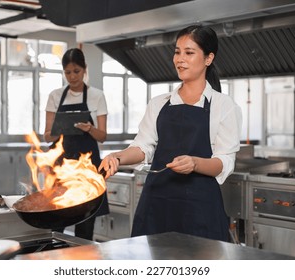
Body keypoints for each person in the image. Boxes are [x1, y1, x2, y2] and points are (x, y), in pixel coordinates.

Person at [99, 25, 242, 242]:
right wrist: (117, 157)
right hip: (156, 204)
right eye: (177, 52)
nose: (180, 59)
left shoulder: (224, 106)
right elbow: (143, 147)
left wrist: (195, 163)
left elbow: (224, 162)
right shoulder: (159, 103)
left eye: (189, 52)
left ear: (208, 58)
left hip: (200, 208)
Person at [44, 48, 109, 240]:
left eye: (76, 71)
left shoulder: (97, 96)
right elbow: (47, 136)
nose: (72, 77)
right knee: (56, 219)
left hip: (87, 166)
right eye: (67, 72)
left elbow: (103, 136)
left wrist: (89, 128)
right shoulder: (55, 96)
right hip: (61, 165)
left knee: (85, 221)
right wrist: (63, 127)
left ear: (85, 69)